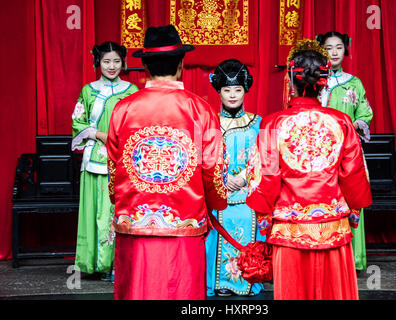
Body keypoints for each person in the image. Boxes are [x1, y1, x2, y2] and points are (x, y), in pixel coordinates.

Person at [106, 24, 228, 300]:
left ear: (145, 66)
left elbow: (114, 166)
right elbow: (213, 168)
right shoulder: (200, 109)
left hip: (135, 224)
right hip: (184, 225)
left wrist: (120, 199)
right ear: (182, 64)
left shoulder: (123, 109)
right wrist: (214, 204)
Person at [246, 39, 372, 300]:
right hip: (332, 225)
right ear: (323, 82)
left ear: (290, 80)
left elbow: (265, 178)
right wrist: (356, 208)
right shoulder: (341, 121)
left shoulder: (273, 123)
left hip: (290, 229)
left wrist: (262, 213)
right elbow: (354, 175)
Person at [71, 42, 138, 281]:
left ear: (123, 62)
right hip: (96, 159)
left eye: (116, 61)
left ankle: (118, 264)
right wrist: (101, 135)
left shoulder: (132, 91)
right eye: (106, 61)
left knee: (118, 211)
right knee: (96, 211)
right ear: (97, 63)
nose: (111, 66)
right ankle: (95, 264)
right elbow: (78, 123)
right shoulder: (88, 91)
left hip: (124, 159)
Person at [205, 59, 264, 297]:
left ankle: (248, 280)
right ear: (218, 91)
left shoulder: (258, 122)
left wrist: (244, 175)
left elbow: (266, 158)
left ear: (245, 90)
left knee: (248, 219)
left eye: (237, 90)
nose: (232, 95)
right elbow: (203, 158)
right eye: (227, 90)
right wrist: (222, 176)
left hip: (249, 193)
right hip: (219, 193)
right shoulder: (209, 123)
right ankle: (220, 282)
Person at [317, 31, 373, 271]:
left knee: (351, 201)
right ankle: (326, 258)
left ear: (345, 49)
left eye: (339, 47)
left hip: (349, 151)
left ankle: (352, 259)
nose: (334, 52)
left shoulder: (354, 82)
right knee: (325, 201)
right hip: (321, 153)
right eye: (329, 48)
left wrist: (359, 123)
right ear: (322, 51)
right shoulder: (315, 81)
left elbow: (364, 112)